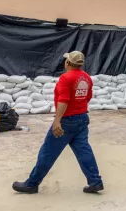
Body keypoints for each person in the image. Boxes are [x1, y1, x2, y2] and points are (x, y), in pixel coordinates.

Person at [12, 51, 104, 194]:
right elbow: (88, 97)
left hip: (67, 121)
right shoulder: (86, 78)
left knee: (48, 152)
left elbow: (63, 101)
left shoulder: (65, 78)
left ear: (67, 63)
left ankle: (32, 184)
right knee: (84, 151)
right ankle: (95, 182)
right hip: (82, 118)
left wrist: (57, 121)